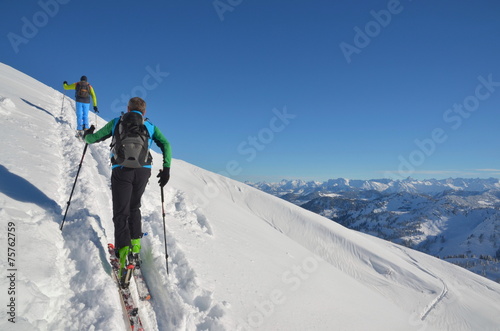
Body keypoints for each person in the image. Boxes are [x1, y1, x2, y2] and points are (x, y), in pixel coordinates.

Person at [84, 97, 171, 281]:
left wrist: (87, 134)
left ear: (128, 108)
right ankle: (136, 249)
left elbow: (93, 139)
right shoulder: (150, 126)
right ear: (143, 112)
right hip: (143, 171)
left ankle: (124, 258)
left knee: (121, 213)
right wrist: (166, 168)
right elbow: (166, 144)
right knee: (134, 207)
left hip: (121, 170)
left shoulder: (117, 122)